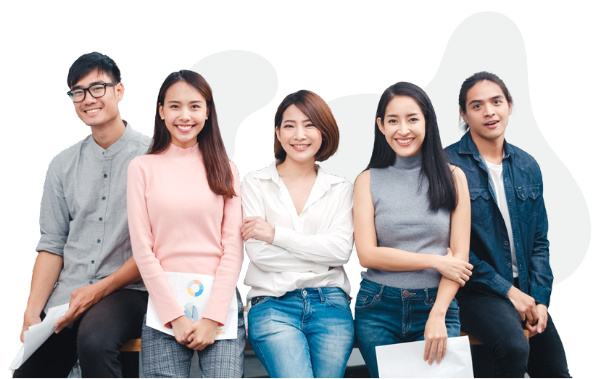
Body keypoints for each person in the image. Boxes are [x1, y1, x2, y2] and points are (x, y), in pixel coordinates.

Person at [16, 52, 151, 378]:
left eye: (98, 88)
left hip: (128, 292)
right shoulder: (61, 165)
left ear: (119, 91)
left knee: (94, 341)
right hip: (69, 295)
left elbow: (156, 246)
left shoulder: (152, 158)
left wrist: (98, 290)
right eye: (78, 92)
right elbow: (52, 244)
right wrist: (32, 314)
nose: (88, 99)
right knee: (27, 371)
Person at [444, 71, 571, 378]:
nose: (489, 111)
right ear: (463, 113)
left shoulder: (528, 165)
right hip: (474, 290)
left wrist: (540, 300)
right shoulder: (447, 165)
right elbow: (448, 246)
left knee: (557, 373)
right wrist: (508, 292)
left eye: (496, 101)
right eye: (477, 106)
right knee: (514, 347)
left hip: (525, 287)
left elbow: (539, 241)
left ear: (510, 105)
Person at [127, 69, 245, 378]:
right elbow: (143, 248)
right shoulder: (142, 168)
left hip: (219, 304)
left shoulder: (226, 168)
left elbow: (233, 247)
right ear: (161, 111)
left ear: (208, 112)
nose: (185, 115)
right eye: (175, 106)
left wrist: (213, 318)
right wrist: (173, 316)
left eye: (195, 106)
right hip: (165, 305)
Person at [353, 81, 472, 379]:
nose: (402, 130)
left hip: (437, 304)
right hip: (378, 307)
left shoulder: (454, 177)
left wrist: (438, 313)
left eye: (412, 119)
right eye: (393, 120)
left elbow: (458, 258)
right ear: (381, 125)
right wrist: (435, 260)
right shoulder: (366, 180)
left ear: (427, 122)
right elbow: (367, 255)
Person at [241, 90, 354, 379]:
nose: (299, 134)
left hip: (330, 304)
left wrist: (276, 234)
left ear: (324, 131)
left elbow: (341, 252)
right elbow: (260, 255)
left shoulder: (340, 188)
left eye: (309, 124)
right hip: (272, 305)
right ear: (278, 133)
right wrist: (319, 258)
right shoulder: (255, 183)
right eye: (289, 125)